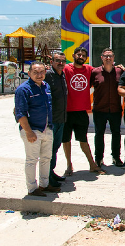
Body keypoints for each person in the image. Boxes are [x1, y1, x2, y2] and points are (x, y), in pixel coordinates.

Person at [15, 61, 60, 196]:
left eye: (41, 72)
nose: (39, 75)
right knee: (31, 160)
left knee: (46, 158)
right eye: (35, 72)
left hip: (47, 129)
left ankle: (44, 185)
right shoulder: (23, 90)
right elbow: (20, 113)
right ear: (29, 73)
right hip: (33, 130)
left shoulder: (46, 87)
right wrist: (28, 132)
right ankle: (32, 188)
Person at [62, 46, 103, 175]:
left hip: (81, 111)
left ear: (86, 58)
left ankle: (92, 164)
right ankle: (69, 165)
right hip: (66, 111)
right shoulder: (66, 68)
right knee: (66, 140)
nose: (81, 57)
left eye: (83, 55)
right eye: (78, 54)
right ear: (73, 56)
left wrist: (119, 67)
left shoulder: (89, 70)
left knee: (83, 140)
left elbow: (102, 71)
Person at [90, 48, 124, 168]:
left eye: (110, 56)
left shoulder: (120, 71)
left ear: (114, 58)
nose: (108, 58)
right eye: (106, 56)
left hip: (115, 109)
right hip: (100, 110)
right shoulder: (95, 72)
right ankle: (98, 158)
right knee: (99, 134)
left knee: (116, 134)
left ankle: (116, 157)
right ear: (102, 58)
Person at [44, 52, 68, 187]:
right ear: (52, 61)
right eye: (57, 60)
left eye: (62, 61)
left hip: (61, 118)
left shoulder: (63, 75)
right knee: (48, 150)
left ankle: (51, 172)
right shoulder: (47, 76)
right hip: (50, 121)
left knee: (55, 148)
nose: (60, 63)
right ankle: (46, 178)